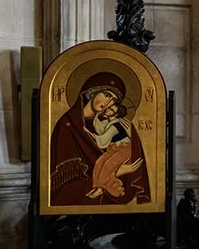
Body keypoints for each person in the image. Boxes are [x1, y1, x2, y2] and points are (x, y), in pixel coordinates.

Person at [48, 71, 150, 206]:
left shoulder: (110, 124)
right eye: (106, 95)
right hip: (81, 199)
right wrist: (116, 172)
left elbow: (135, 159)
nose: (108, 102)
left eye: (113, 100)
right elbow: (65, 180)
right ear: (92, 91)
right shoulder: (68, 124)